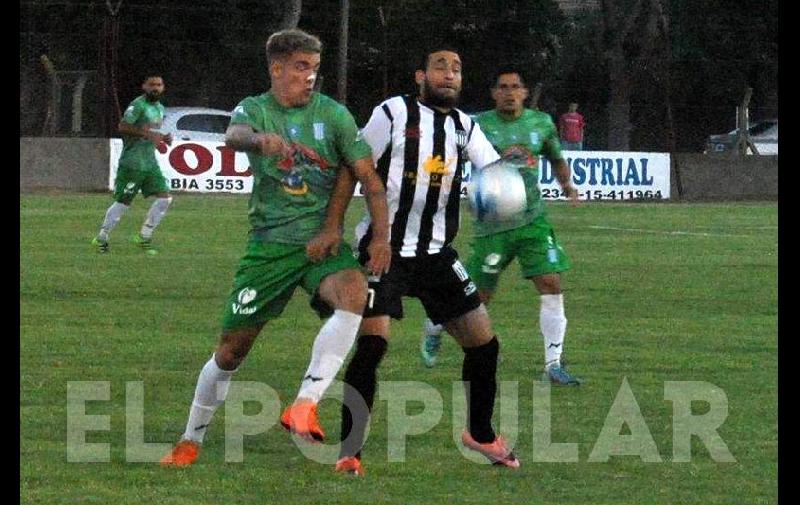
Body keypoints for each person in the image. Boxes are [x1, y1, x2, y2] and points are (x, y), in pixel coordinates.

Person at [160, 29, 391, 467]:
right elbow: (235, 135)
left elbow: (369, 179)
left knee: (354, 293)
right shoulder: (256, 108)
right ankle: (191, 439)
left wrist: (380, 237)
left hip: (320, 245)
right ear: (277, 68)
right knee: (231, 352)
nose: (310, 77)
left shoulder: (334, 115)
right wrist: (257, 140)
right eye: (301, 67)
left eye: (315, 69)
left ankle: (304, 404)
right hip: (269, 247)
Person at [334, 46, 520, 477]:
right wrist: (334, 228)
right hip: (384, 250)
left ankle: (480, 433)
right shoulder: (392, 113)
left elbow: (491, 172)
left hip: (437, 254)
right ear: (421, 75)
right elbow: (354, 167)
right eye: (440, 66)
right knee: (374, 344)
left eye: (457, 68)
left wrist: (503, 185)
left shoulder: (465, 127)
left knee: (484, 344)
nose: (449, 74)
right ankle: (350, 451)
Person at [420, 68, 581, 386]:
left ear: (524, 92)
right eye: (503, 87)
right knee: (476, 299)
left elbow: (556, 157)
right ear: (494, 93)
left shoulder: (541, 123)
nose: (509, 92)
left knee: (550, 282)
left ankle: (553, 364)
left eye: (516, 87)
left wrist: (567, 186)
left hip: (533, 221)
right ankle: (435, 326)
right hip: (492, 226)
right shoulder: (476, 125)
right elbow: (448, 158)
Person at [91, 74, 173, 255]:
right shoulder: (138, 105)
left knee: (165, 198)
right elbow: (123, 126)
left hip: (149, 163)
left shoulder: (159, 108)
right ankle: (101, 237)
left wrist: (162, 139)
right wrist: (146, 135)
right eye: (152, 85)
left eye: (159, 85)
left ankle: (144, 236)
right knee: (123, 202)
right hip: (132, 163)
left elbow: (152, 132)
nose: (156, 88)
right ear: (144, 86)